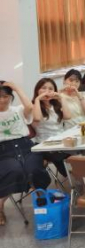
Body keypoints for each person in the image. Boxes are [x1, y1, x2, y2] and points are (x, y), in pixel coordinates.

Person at [0, 81, 50, 226]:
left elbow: (30, 107)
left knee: (33, 169)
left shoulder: (18, 109)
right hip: (4, 150)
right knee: (14, 170)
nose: (2, 100)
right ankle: (0, 207)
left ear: (11, 97)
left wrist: (16, 87)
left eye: (6, 96)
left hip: (25, 146)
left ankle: (42, 203)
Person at [31, 78, 72, 177]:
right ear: (37, 90)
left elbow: (68, 116)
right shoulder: (33, 105)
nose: (47, 91)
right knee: (60, 157)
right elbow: (37, 118)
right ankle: (73, 177)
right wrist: (37, 99)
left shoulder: (56, 105)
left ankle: (80, 176)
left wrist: (61, 98)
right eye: (43, 88)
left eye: (50, 89)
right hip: (44, 144)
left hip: (61, 141)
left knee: (80, 152)